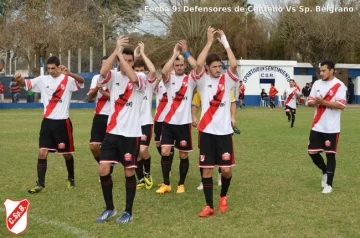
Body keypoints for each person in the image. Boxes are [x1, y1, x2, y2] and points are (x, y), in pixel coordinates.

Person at [13, 56, 85, 193]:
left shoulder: (67, 80)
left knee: (67, 154)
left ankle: (71, 177)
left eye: (53, 68)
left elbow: (81, 83)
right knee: (42, 152)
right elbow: (26, 84)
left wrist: (70, 73)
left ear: (59, 67)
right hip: (47, 122)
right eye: (49, 68)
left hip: (63, 123)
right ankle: (41, 184)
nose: (51, 71)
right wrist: (19, 79)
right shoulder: (42, 80)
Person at [95, 36, 147, 224]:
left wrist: (123, 61)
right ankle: (110, 208)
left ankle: (128, 211)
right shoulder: (114, 76)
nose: (127, 64)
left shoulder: (140, 78)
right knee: (103, 169)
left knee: (128, 172)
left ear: (133, 62)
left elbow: (132, 76)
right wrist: (116, 50)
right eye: (123, 61)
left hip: (131, 134)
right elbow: (102, 70)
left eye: (130, 61)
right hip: (112, 132)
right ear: (118, 61)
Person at [193, 27, 239, 217]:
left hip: (224, 133)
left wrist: (225, 43)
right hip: (206, 132)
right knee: (207, 172)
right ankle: (209, 206)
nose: (218, 69)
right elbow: (197, 63)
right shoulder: (202, 80)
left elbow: (234, 65)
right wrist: (209, 41)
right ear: (208, 68)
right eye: (214, 67)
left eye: (220, 66)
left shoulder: (227, 80)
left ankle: (223, 196)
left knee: (226, 171)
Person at [155, 40, 197, 195]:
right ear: (174, 66)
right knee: (165, 151)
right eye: (176, 65)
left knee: (183, 154)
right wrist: (174, 55)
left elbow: (197, 67)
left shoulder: (190, 79)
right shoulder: (169, 79)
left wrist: (186, 52)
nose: (179, 68)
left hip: (184, 123)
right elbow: (164, 72)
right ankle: (166, 184)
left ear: (184, 66)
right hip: (169, 122)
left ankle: (181, 184)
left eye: (181, 65)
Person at [307, 61, 346, 194]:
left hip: (331, 127)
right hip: (317, 125)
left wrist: (324, 102)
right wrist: (313, 102)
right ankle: (324, 171)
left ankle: (329, 184)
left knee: (330, 154)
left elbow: (341, 105)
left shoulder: (339, 85)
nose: (321, 73)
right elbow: (309, 101)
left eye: (324, 71)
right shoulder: (317, 83)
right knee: (312, 152)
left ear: (331, 70)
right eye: (320, 71)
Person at [192, 87, 239, 191]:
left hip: (222, 129)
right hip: (205, 128)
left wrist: (233, 117)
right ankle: (203, 181)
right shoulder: (202, 86)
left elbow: (232, 102)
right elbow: (195, 103)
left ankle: (220, 177)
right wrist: (194, 116)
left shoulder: (225, 85)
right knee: (203, 156)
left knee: (221, 155)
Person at [131, 42, 156, 190]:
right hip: (132, 123)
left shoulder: (148, 83)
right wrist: (134, 57)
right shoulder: (130, 83)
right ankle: (140, 179)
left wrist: (143, 54)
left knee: (142, 150)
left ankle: (147, 173)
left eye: (142, 70)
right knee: (135, 153)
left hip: (146, 123)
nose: (140, 73)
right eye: (137, 70)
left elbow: (152, 70)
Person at [88, 56, 113, 177]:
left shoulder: (117, 78)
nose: (106, 67)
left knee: (112, 146)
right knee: (94, 146)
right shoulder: (96, 78)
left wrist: (104, 93)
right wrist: (97, 89)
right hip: (99, 116)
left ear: (112, 66)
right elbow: (90, 97)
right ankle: (105, 166)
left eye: (108, 65)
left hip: (114, 116)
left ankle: (107, 170)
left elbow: (119, 99)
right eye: (104, 65)